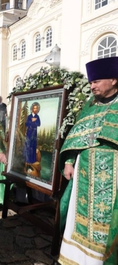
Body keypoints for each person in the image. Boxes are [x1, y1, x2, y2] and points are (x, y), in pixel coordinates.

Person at [58, 57, 118, 265]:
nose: (92, 86)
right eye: (90, 82)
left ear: (113, 79)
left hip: (112, 178)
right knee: (79, 219)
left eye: (96, 81)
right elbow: (76, 137)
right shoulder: (90, 107)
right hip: (83, 176)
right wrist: (69, 161)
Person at [24, 102, 41, 171]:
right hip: (29, 133)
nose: (35, 109)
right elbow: (26, 124)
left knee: (33, 146)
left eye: (36, 108)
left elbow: (39, 124)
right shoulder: (29, 116)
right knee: (28, 146)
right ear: (32, 109)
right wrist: (32, 121)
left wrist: (33, 123)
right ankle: (27, 161)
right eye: (34, 108)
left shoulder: (37, 117)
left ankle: (32, 162)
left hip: (34, 134)